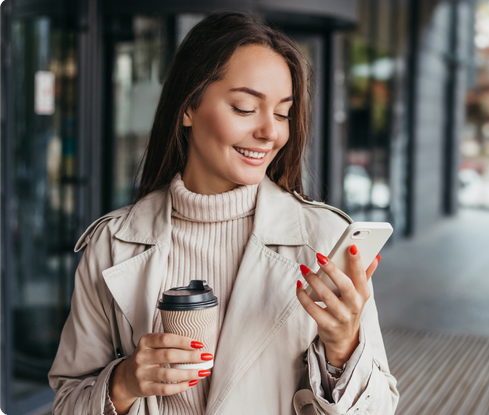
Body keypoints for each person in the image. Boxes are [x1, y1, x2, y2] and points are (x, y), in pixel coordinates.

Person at [48, 12, 399, 415]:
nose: (271, 132)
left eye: (283, 113)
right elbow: (67, 403)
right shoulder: (111, 245)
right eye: (245, 107)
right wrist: (124, 382)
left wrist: (343, 349)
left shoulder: (324, 239)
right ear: (188, 108)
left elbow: (380, 408)